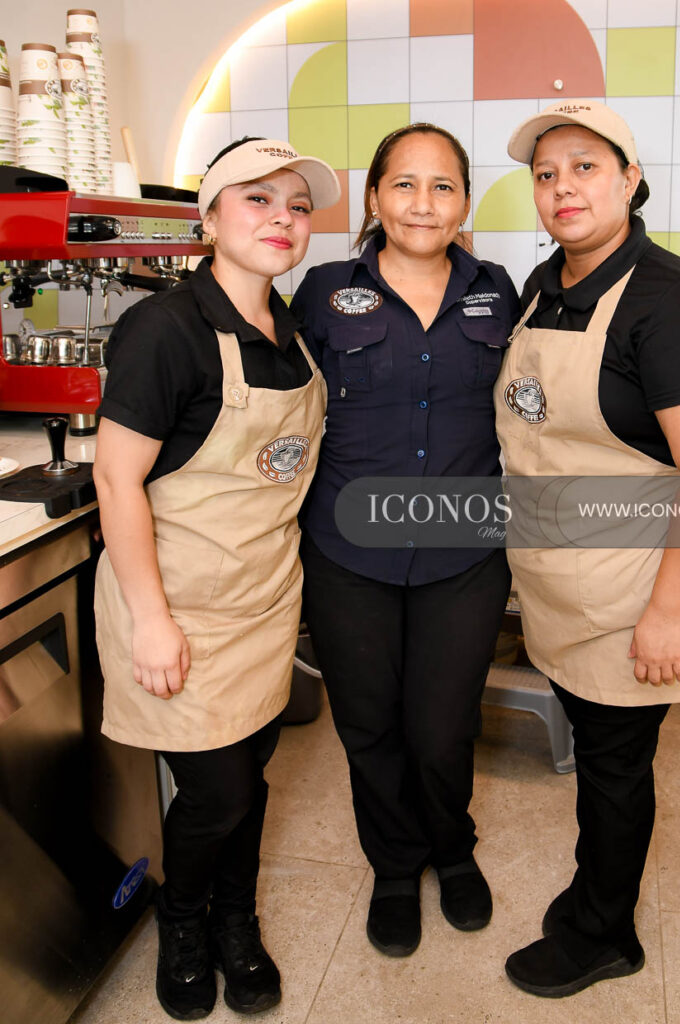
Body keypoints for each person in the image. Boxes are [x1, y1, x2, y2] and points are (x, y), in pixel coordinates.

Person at [495, 101, 680, 998]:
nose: (561, 187)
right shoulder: (545, 286)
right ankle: (590, 898)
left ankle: (603, 934)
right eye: (544, 173)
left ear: (630, 180)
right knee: (600, 759)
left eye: (584, 167)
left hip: (635, 587)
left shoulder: (672, 301)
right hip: (561, 581)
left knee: (613, 769)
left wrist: (664, 615)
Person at [93, 137, 340, 1020]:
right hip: (181, 606)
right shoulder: (166, 329)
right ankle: (184, 922)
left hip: (263, 603)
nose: (283, 219)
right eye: (257, 199)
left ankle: (238, 920)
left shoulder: (291, 334)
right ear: (208, 217)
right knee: (217, 791)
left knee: (251, 776)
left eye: (297, 206)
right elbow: (115, 479)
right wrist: (151, 620)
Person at [290, 124, 518, 957]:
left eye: (442, 186)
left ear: (464, 203)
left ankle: (452, 851)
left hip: (464, 551)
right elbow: (280, 407)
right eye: (405, 184)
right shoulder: (321, 291)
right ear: (374, 197)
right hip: (347, 550)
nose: (423, 203)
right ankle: (393, 866)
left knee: (442, 724)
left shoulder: (499, 291)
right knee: (368, 722)